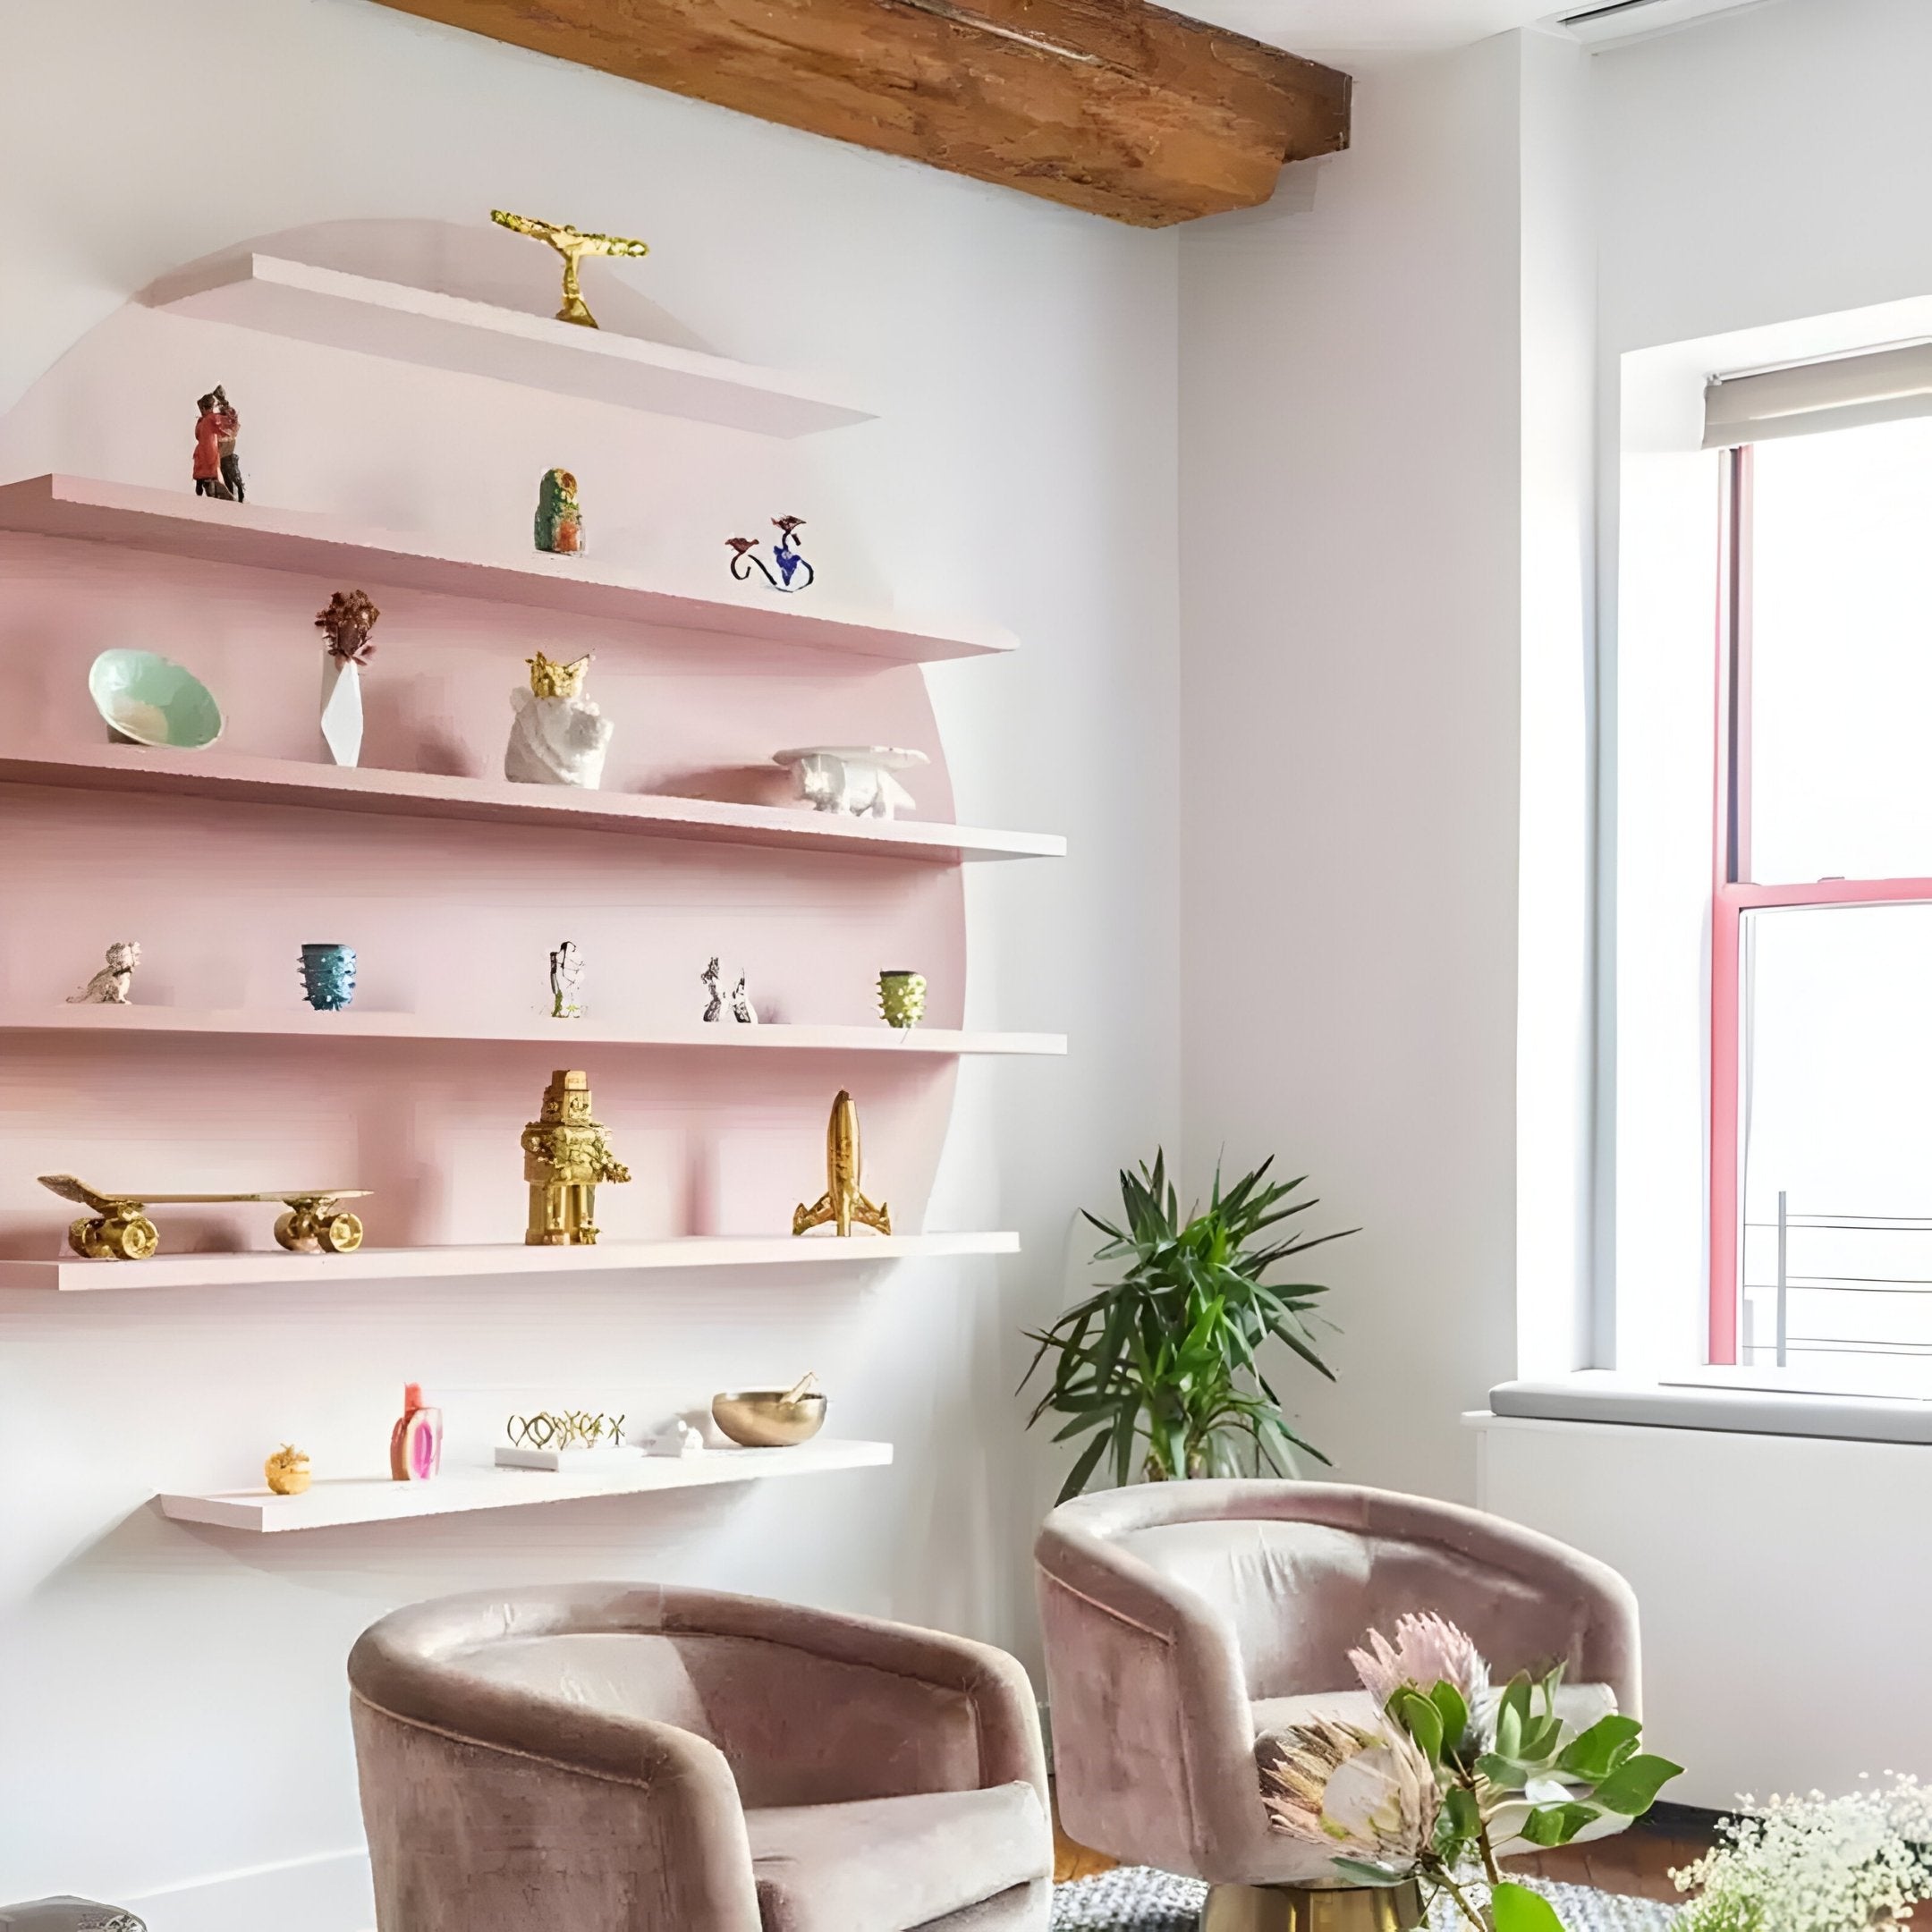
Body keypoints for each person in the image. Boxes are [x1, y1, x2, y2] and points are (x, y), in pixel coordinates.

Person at [191, 394, 231, 500]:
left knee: (204, 476)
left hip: (203, 455)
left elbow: (197, 435)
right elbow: (229, 423)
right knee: (210, 476)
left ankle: (202, 486)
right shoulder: (210, 419)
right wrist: (225, 405)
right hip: (209, 454)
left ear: (204, 408)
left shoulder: (204, 420)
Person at [212, 386, 243, 503]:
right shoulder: (220, 416)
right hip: (223, 452)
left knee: (230, 476)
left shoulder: (226, 415)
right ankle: (235, 498)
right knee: (228, 476)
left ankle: (237, 498)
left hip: (226, 452)